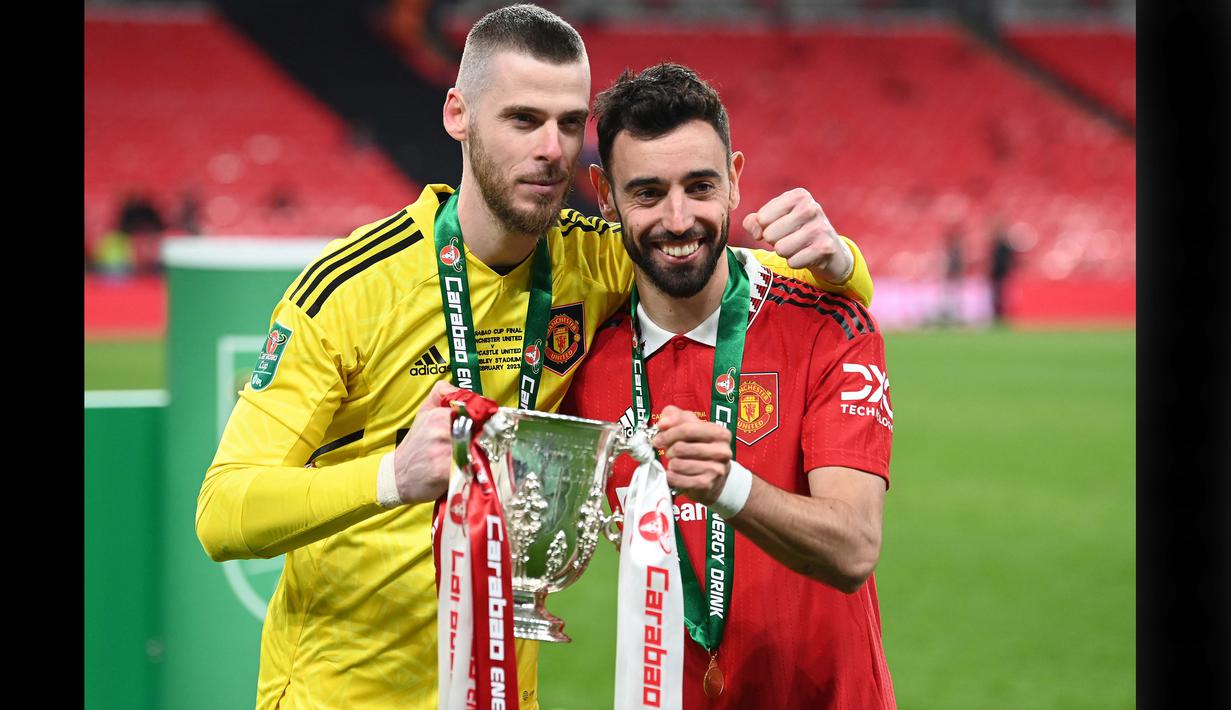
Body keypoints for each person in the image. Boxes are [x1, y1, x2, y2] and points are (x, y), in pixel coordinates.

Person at [194, 5, 877, 709]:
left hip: (501, 690)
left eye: (569, 122)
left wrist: (842, 259)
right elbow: (222, 512)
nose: (552, 149)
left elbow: (742, 268)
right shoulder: (350, 290)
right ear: (457, 115)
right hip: (342, 694)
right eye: (522, 120)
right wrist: (393, 476)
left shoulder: (594, 257)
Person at [562, 63, 895, 707]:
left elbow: (855, 547)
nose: (679, 219)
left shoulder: (828, 323)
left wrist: (727, 485)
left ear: (736, 180)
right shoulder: (577, 356)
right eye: (648, 192)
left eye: (701, 185)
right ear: (603, 194)